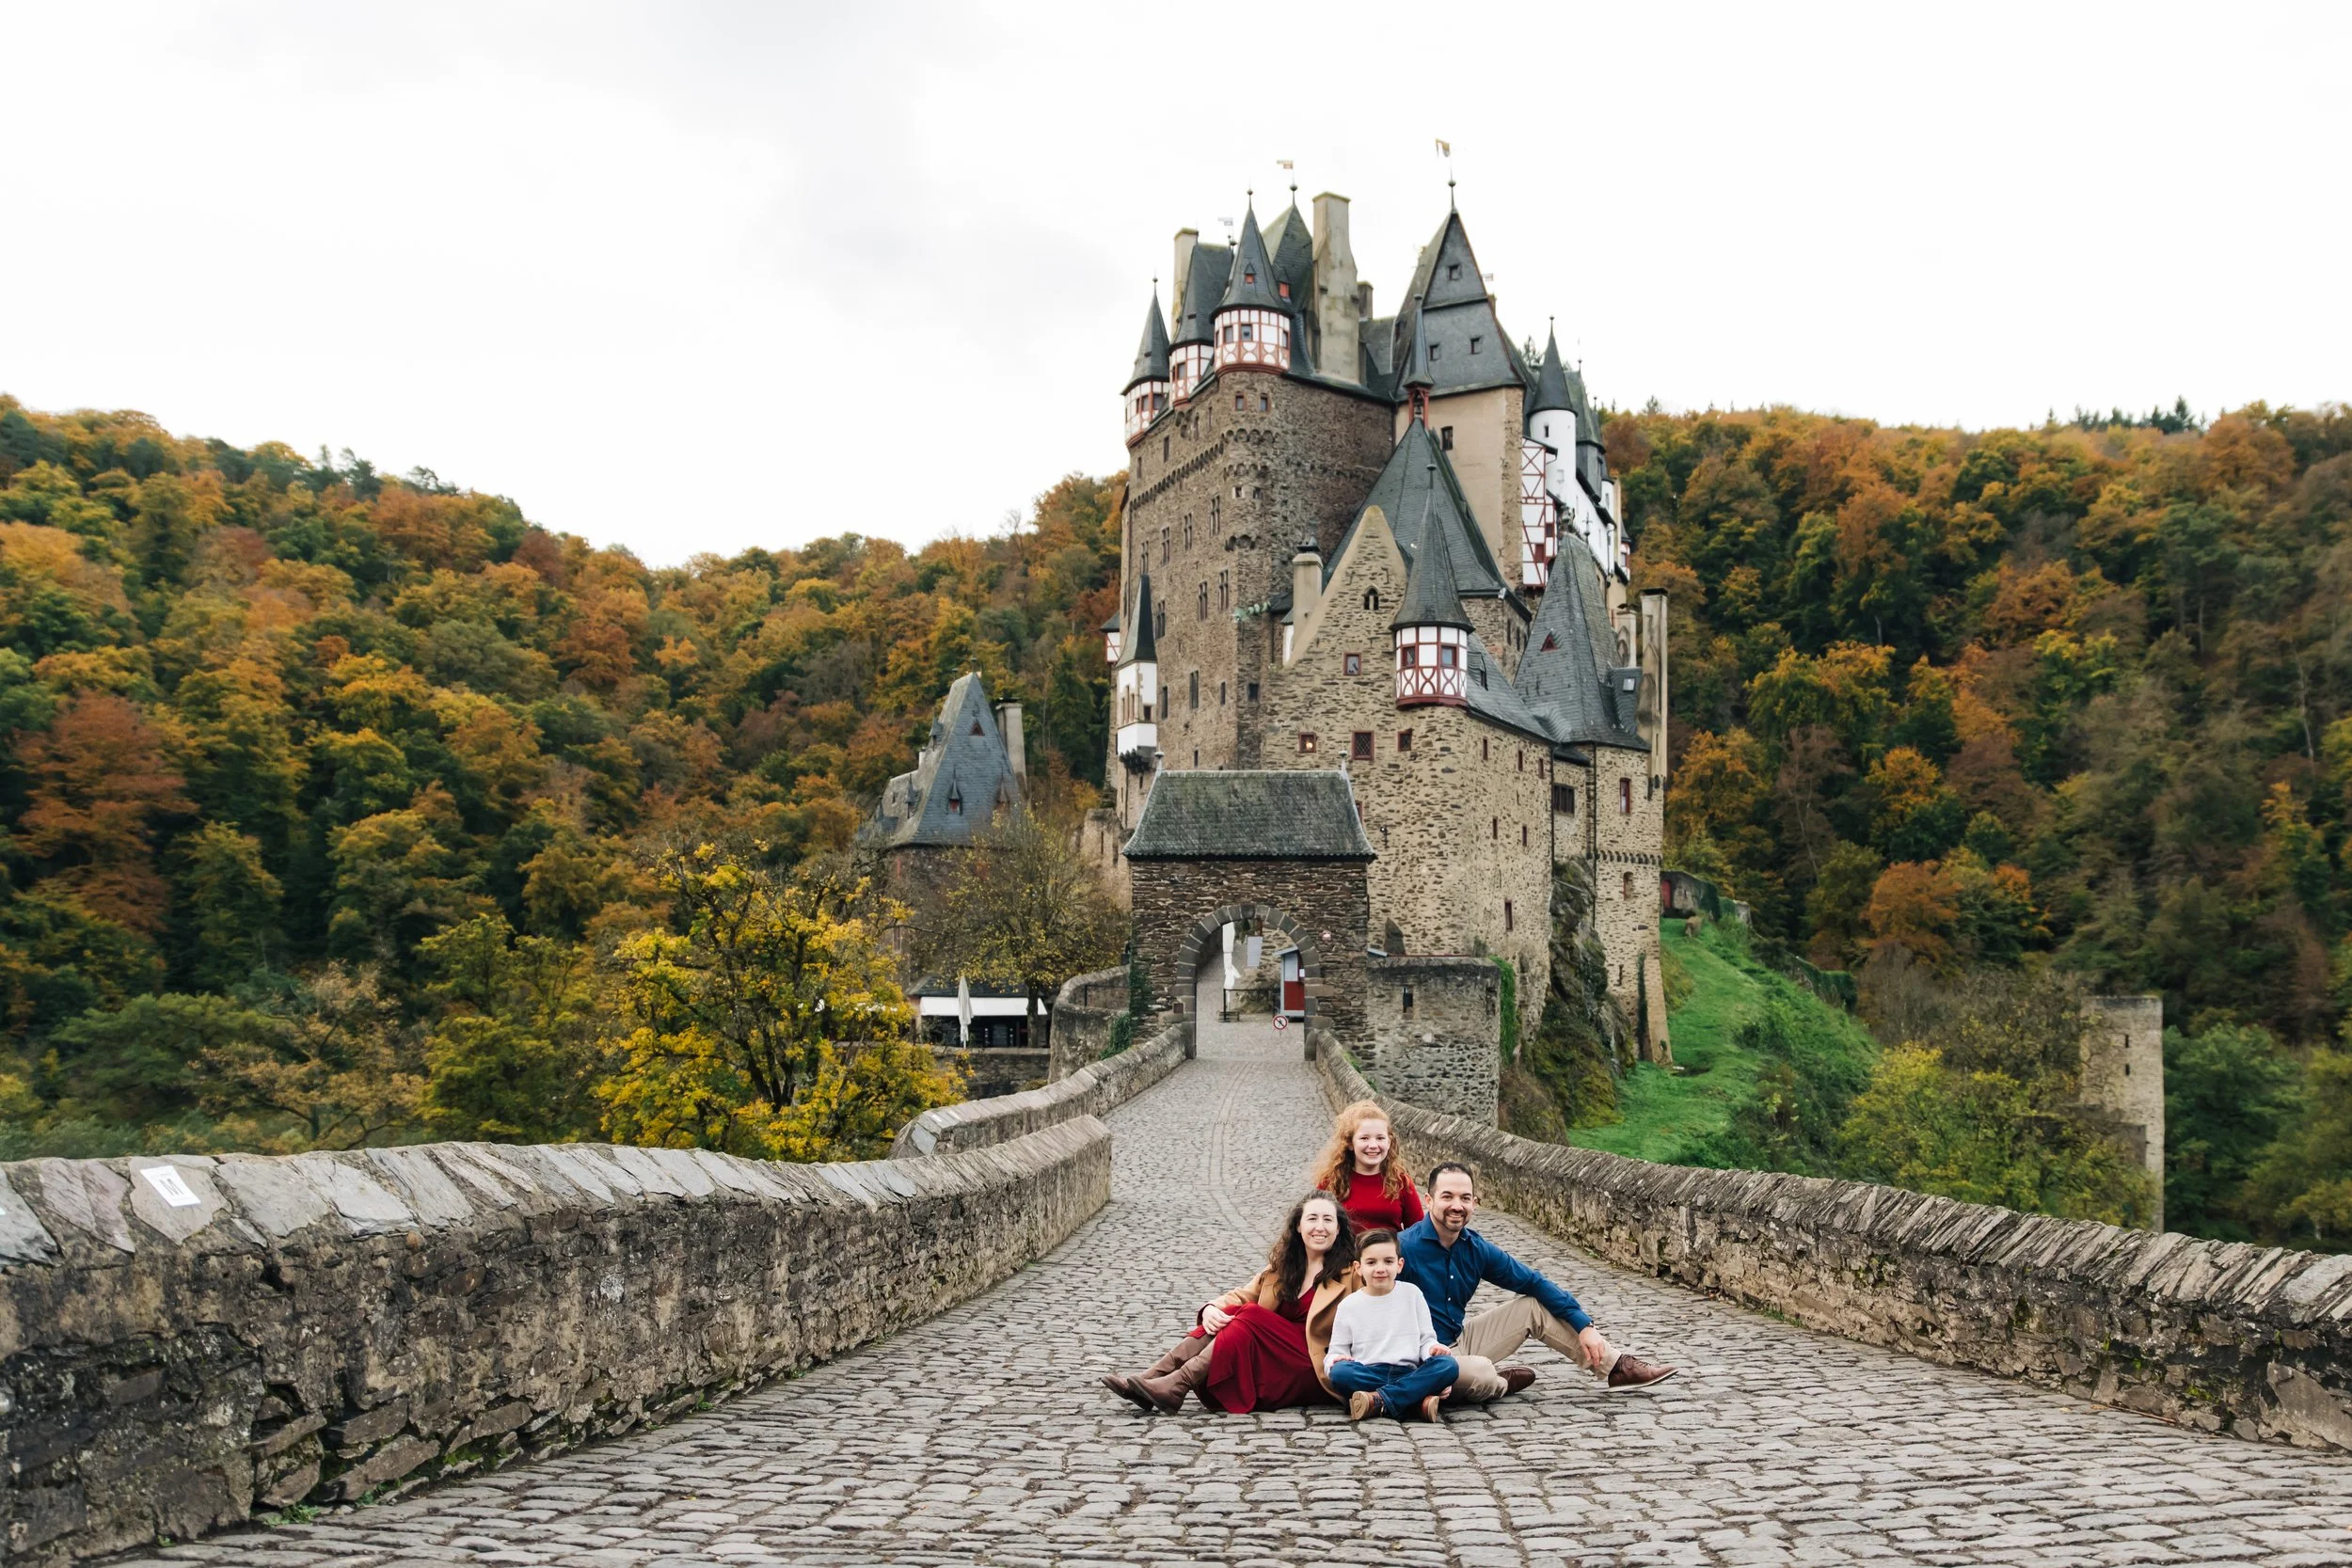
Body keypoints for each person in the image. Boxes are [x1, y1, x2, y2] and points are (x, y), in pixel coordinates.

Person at [1399, 1160, 1677, 1402]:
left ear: (1475, 1203)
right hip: (1416, 1358)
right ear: (1429, 1200)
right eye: (1447, 1196)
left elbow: (1533, 1282)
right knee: (1482, 1371)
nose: (1457, 1206)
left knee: (1532, 1306)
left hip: (1458, 1342)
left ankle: (1616, 1367)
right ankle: (1498, 1385)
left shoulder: (1475, 1249)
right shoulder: (1404, 1248)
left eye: (1465, 1198)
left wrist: (1584, 1325)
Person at [1103, 1193, 1361, 1414]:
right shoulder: (1283, 1268)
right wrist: (1211, 1309)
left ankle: (1179, 1384)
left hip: (1311, 1364)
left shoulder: (1351, 1274)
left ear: (1338, 1229)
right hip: (1272, 1358)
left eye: (1328, 1220)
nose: (1320, 1227)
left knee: (1249, 1314)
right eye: (1312, 1219)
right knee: (1232, 1311)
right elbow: (1241, 1295)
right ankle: (1152, 1378)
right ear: (1298, 1226)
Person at [1324, 1228, 1457, 1422]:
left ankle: (1377, 1400)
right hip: (1368, 1372)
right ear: (1358, 1267)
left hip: (1409, 1371)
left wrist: (1433, 1350)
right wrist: (1335, 1360)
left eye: (1388, 1261)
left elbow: (1426, 1340)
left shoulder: (1413, 1294)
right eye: (1371, 1262)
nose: (1380, 1269)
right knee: (1341, 1373)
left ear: (1399, 1264)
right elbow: (1336, 1351)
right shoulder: (1348, 1305)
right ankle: (1415, 1402)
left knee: (1448, 1366)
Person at [1311, 1101, 1425, 1234]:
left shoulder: (1401, 1183)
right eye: (1364, 1138)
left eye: (1380, 1138)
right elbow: (1316, 1229)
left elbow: (1418, 1232)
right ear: (1350, 1143)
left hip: (1389, 1254)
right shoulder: (1331, 1182)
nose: (1373, 1145)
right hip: (1347, 1255)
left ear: (1389, 1143)